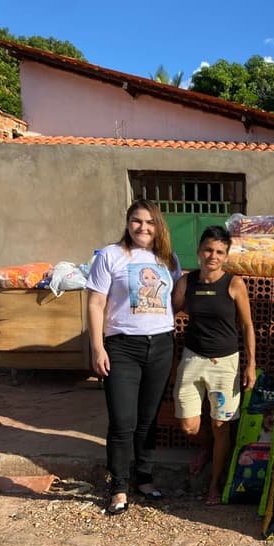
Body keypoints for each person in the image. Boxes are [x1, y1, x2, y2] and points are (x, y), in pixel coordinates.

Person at [86, 199, 182, 516]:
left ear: (159, 226)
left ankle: (144, 478)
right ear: (128, 223)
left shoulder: (168, 259)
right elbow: (96, 304)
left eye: (150, 222)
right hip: (122, 346)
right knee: (122, 420)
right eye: (137, 221)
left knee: (148, 418)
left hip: (161, 345)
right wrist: (97, 347)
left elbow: (176, 299)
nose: (143, 227)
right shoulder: (110, 256)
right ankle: (119, 486)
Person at [172, 226, 256, 505]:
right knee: (189, 426)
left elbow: (246, 325)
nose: (213, 256)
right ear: (199, 252)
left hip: (225, 364)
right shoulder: (187, 282)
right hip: (192, 360)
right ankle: (206, 450)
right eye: (208, 250)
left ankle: (214, 485)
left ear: (226, 255)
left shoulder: (234, 284)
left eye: (220, 251)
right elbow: (170, 311)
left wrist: (250, 364)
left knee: (221, 424)